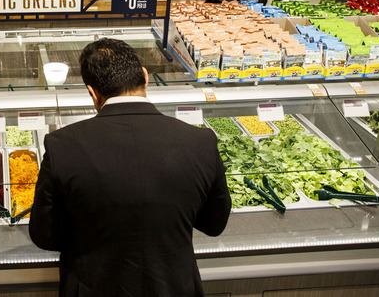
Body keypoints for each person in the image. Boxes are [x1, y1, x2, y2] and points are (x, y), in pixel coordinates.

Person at [29, 37, 231, 296]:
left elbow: (45, 236)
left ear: (93, 93)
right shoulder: (201, 142)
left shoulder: (61, 146)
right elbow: (214, 225)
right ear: (145, 77)